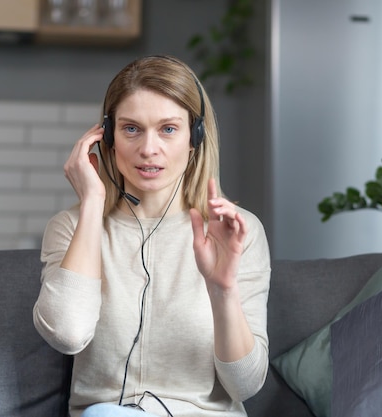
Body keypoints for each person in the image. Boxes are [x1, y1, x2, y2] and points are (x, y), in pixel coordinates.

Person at [33, 55, 271, 417]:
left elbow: (245, 386)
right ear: (107, 138)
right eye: (131, 129)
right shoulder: (71, 226)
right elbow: (67, 334)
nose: (148, 148)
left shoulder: (239, 231)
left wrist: (222, 290)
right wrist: (93, 203)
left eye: (168, 129)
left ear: (195, 138)